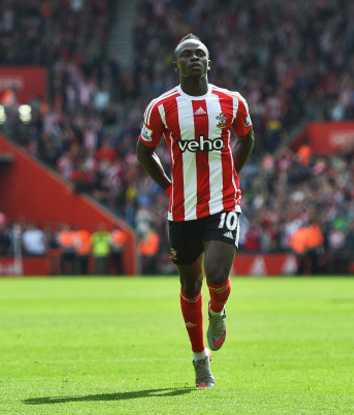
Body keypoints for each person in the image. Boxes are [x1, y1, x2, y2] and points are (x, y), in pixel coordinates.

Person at [136, 33, 255, 387]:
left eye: (199, 54)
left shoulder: (231, 102)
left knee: (217, 275)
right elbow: (145, 151)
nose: (193, 59)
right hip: (181, 209)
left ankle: (217, 311)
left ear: (209, 62)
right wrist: (169, 187)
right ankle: (200, 359)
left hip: (223, 202)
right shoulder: (161, 106)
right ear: (176, 65)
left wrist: (232, 173)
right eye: (186, 55)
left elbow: (247, 137)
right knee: (191, 284)